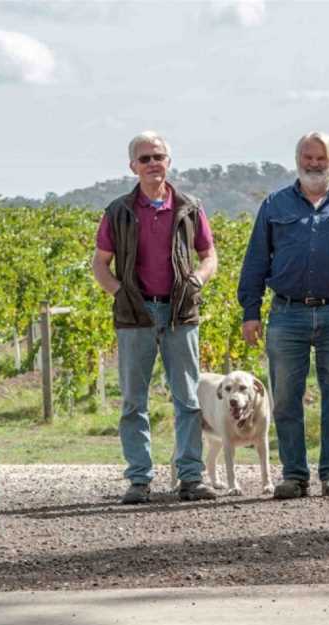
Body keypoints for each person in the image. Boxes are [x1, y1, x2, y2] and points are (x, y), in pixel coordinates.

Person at [237, 131, 329, 499]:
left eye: (322, 158)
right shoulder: (274, 205)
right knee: (285, 398)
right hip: (286, 314)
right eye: (308, 157)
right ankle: (294, 475)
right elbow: (255, 261)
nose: (314, 164)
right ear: (298, 159)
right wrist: (250, 312)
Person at [92, 131, 219, 504]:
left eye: (158, 157)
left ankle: (191, 478)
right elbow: (100, 263)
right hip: (136, 314)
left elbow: (209, 255)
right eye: (144, 158)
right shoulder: (118, 211)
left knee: (188, 399)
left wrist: (197, 279)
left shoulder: (189, 207)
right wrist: (121, 293)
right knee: (134, 401)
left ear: (168, 162)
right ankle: (139, 479)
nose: (152, 164)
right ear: (132, 166)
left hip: (180, 311)